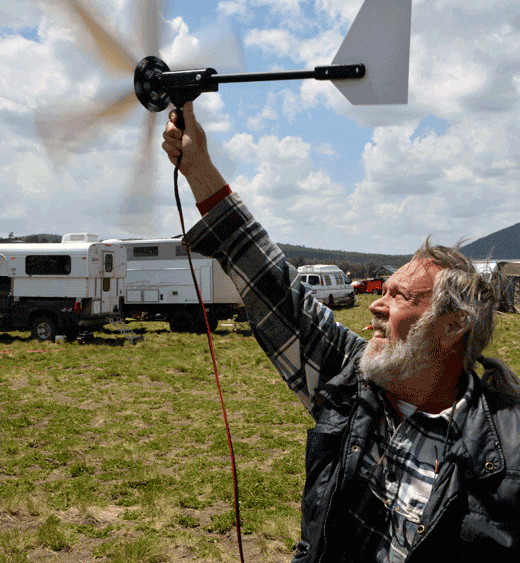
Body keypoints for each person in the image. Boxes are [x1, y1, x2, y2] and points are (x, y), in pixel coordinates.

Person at [162, 102, 520, 563]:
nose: (375, 303)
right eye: (383, 289)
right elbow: (274, 288)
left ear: (454, 324)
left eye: (400, 296)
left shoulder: (508, 447)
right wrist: (198, 169)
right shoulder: (354, 384)